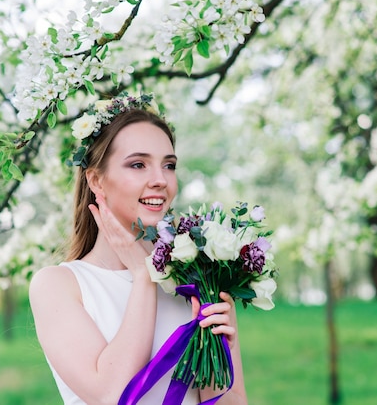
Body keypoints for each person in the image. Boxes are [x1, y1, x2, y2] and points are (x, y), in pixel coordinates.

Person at [29, 95, 248, 404]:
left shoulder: (197, 282)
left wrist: (218, 352)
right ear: (97, 181)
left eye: (169, 165)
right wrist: (142, 276)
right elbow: (111, 394)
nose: (160, 180)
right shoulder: (59, 285)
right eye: (138, 164)